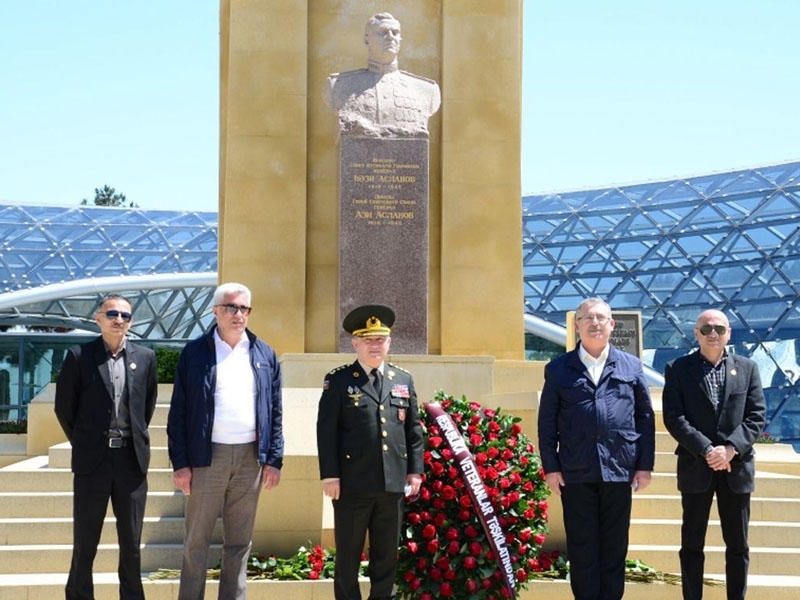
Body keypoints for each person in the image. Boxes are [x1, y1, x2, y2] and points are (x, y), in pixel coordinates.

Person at [167, 282, 284, 600]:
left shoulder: (264, 354)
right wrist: (181, 464)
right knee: (196, 541)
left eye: (244, 308)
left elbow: (274, 412)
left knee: (239, 543)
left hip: (250, 459)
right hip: (208, 457)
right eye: (231, 307)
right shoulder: (195, 353)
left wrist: (274, 459)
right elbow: (178, 412)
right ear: (215, 311)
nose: (238, 314)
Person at [537, 297, 655, 600]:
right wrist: (551, 466)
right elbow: (547, 422)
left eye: (601, 318)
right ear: (577, 326)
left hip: (619, 471)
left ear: (612, 324)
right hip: (576, 472)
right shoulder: (559, 369)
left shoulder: (631, 365)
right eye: (587, 318)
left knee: (614, 549)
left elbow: (645, 417)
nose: (595, 323)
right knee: (582, 549)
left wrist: (644, 465)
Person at [317, 304, 424, 600]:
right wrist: (330, 475)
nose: (375, 346)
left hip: (392, 484)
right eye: (368, 340)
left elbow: (413, 430)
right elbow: (326, 432)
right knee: (348, 558)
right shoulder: (338, 380)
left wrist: (415, 471)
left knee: (386, 557)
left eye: (380, 340)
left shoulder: (403, 380)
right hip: (352, 485)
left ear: (389, 343)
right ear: (355, 344)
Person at [55, 294, 158, 600]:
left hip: (131, 461)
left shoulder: (146, 357)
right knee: (85, 541)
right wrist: (86, 442)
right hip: (93, 463)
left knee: (131, 542)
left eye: (125, 316)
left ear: (131, 322)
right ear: (98, 318)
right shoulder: (78, 356)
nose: (119, 320)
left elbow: (146, 407)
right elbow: (64, 409)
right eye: (112, 313)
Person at [662, 309, 766, 600]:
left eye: (719, 328)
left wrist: (731, 449)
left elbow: (756, 416)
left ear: (728, 333)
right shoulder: (678, 369)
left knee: (738, 546)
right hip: (697, 466)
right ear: (695, 333)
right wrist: (707, 449)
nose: (713, 334)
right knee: (692, 546)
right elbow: (674, 417)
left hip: (737, 469)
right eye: (706, 328)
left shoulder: (747, 368)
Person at [323, 12, 441, 137]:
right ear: (367, 39)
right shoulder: (338, 86)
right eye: (382, 32)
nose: (390, 37)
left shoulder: (426, 90)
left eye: (395, 33)